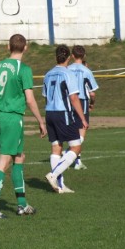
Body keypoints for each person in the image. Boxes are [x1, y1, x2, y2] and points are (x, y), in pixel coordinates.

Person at [0, 34, 46, 219]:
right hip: (12, 118)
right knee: (4, 161)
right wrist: (40, 121)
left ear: (7, 47)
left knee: (19, 156)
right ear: (25, 47)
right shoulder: (23, 69)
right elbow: (29, 99)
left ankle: (22, 205)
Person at [43, 45, 89, 194]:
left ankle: (60, 186)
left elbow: (45, 97)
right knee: (76, 147)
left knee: (56, 148)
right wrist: (82, 118)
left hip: (49, 113)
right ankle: (53, 174)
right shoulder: (68, 73)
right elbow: (74, 97)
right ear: (68, 57)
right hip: (63, 113)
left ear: (56, 57)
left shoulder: (48, 74)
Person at [67, 45, 98, 170]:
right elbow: (92, 92)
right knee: (82, 130)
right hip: (82, 101)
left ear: (72, 56)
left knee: (72, 129)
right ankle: (69, 152)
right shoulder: (86, 71)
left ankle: (77, 161)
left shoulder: (67, 69)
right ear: (84, 56)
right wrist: (92, 103)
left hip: (69, 101)